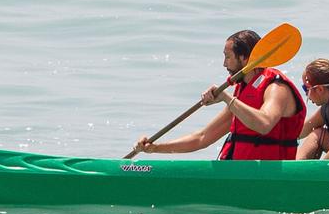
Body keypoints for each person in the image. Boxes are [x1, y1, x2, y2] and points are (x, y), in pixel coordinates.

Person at [131, 29, 307, 160]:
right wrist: (154, 148)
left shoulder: (276, 88)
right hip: (239, 174)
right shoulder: (243, 92)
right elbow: (202, 138)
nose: (224, 64)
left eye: (228, 57)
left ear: (245, 58)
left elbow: (264, 124)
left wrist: (226, 98)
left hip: (267, 177)